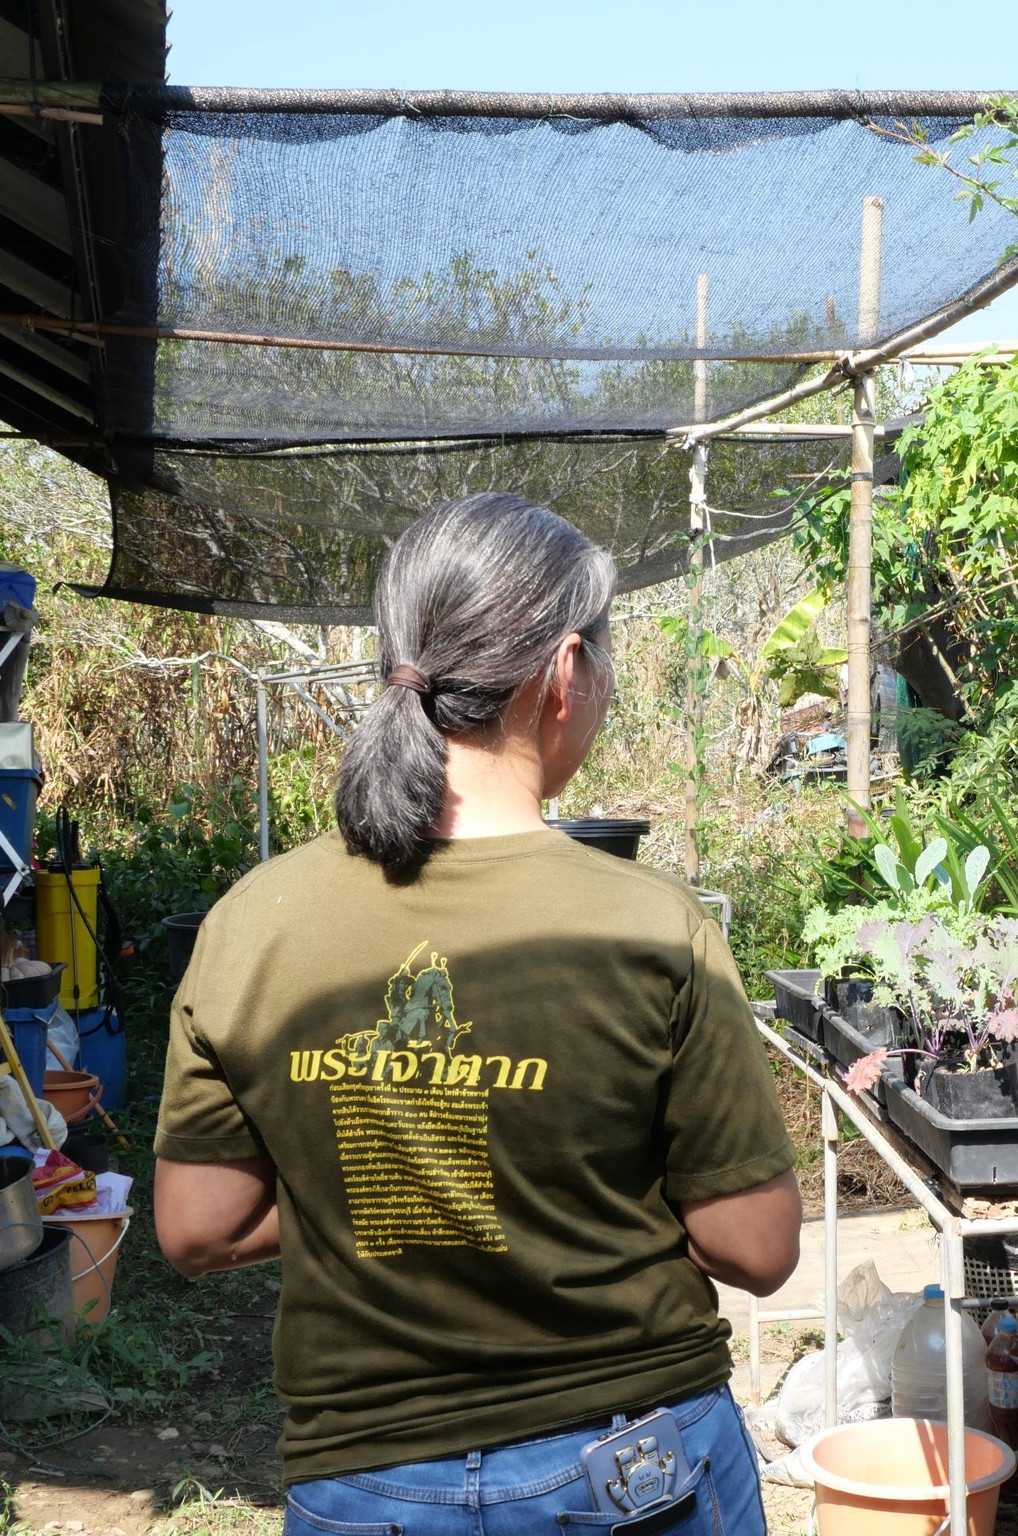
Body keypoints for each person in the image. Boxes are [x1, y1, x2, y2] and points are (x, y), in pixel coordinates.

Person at [152, 493, 801, 1536]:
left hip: (364, 1485)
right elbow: (756, 1245)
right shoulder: (652, 925)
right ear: (561, 676)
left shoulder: (252, 924)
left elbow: (197, 1229)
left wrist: (385, 1200)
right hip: (633, 1471)